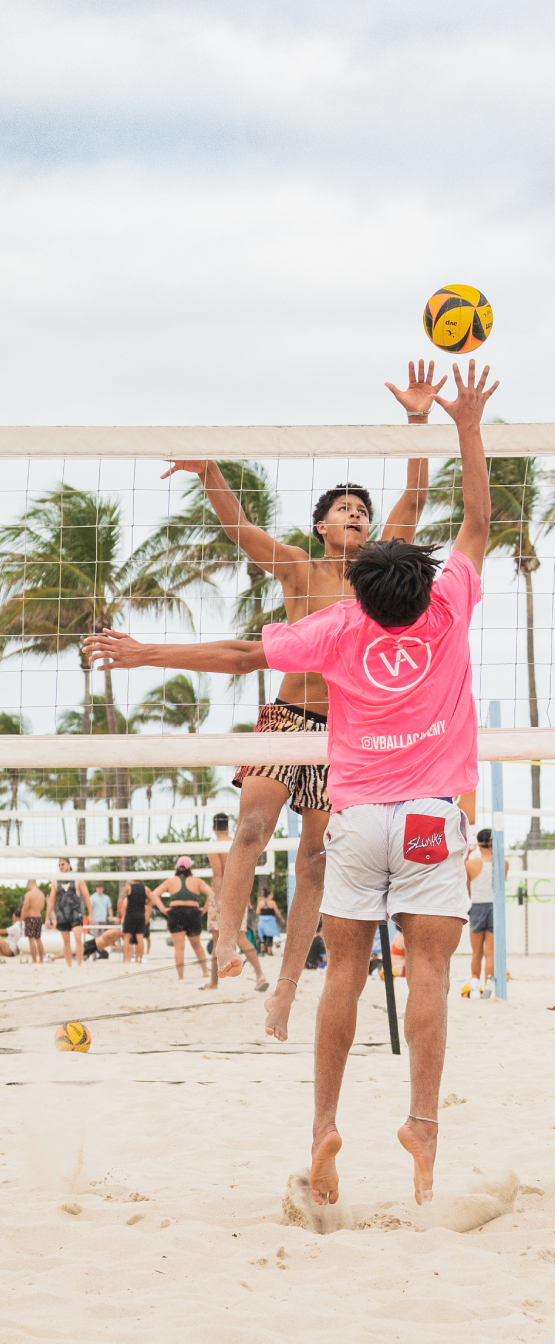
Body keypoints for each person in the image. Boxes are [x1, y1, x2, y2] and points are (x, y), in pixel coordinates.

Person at [85, 357, 499, 1208]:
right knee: (405, 955)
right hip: (406, 802)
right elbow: (470, 525)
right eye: (347, 512)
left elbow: (242, 652)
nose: (362, 519)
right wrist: (461, 424)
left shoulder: (343, 619)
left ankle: (315, 1105)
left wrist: (141, 651)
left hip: (353, 798)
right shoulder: (432, 599)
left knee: (334, 939)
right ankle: (418, 1121)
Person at [149, 362, 437, 1040]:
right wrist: (210, 473)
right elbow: (240, 533)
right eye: (344, 509)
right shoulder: (300, 569)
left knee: (314, 862)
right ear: (320, 527)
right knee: (251, 829)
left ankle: (283, 994)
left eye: (363, 510)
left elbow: (416, 502)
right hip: (287, 719)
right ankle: (224, 939)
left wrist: (419, 423)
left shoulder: (376, 575)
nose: (358, 515)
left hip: (342, 734)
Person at [205, 812, 268, 991]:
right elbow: (244, 873)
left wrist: (218, 899)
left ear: (213, 828)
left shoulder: (213, 846)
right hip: (240, 894)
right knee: (241, 938)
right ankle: (259, 975)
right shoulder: (236, 844)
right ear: (227, 827)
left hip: (221, 895)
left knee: (218, 941)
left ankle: (214, 983)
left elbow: (218, 875)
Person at [150, 858, 212, 981]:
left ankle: (180, 976)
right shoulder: (197, 881)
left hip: (176, 913)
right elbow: (211, 893)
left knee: (179, 948)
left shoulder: (170, 881)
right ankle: (205, 972)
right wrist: (205, 908)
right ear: (190, 868)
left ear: (177, 868)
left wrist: (163, 909)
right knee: (197, 945)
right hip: (193, 913)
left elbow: (155, 894)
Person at [47, 860, 93, 967]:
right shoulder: (56, 881)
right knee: (66, 942)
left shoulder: (77, 878)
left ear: (69, 865)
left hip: (75, 912)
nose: (61, 867)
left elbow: (86, 896)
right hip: (62, 913)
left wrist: (90, 913)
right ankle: (69, 965)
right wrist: (47, 917)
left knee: (78, 939)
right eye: (59, 865)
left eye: (63, 864)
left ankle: (79, 964)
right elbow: (51, 900)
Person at [465, 828, 494, 990]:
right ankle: (489, 984)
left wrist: (468, 854)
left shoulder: (470, 864)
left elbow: (467, 889)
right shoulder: (503, 863)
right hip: (494, 907)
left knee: (477, 952)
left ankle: (475, 982)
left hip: (477, 906)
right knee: (490, 952)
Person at [117, 880, 153, 963]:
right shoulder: (146, 889)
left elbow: (120, 900)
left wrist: (118, 913)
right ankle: (139, 959)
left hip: (130, 915)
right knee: (140, 938)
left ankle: (127, 959)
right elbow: (151, 900)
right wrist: (145, 903)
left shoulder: (128, 888)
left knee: (126, 938)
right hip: (141, 915)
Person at [21, 881, 46, 963]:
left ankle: (34, 959)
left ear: (29, 884)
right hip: (38, 917)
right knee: (38, 939)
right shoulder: (41, 894)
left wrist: (21, 919)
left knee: (31, 940)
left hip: (30, 917)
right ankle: (41, 959)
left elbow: (25, 906)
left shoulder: (28, 894)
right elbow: (42, 907)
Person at [256, 887, 285, 956]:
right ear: (268, 895)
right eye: (271, 895)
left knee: (262, 935)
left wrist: (261, 916)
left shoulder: (261, 903)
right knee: (270, 935)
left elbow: (257, 911)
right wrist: (282, 919)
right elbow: (277, 912)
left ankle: (262, 951)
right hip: (270, 920)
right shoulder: (272, 903)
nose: (272, 896)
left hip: (262, 920)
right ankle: (269, 952)